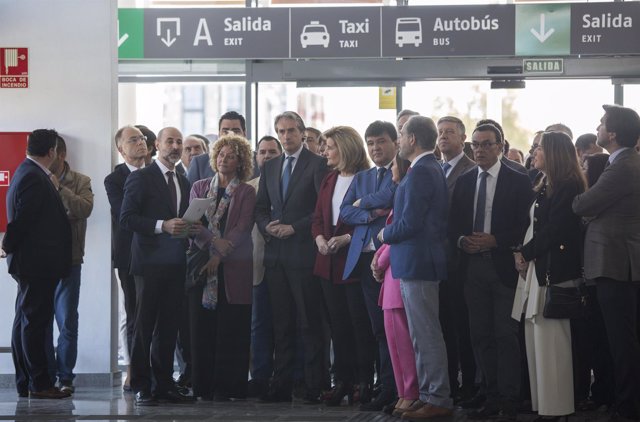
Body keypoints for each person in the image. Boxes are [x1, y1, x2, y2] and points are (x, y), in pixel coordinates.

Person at [449, 123, 532, 420]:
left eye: (486, 144)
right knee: (479, 334)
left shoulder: (518, 180)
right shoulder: (465, 180)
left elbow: (526, 225)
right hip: (471, 267)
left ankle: (510, 397)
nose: (480, 150)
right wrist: (461, 241)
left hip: (504, 266)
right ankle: (491, 393)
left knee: (505, 334)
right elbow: (452, 223)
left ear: (500, 146)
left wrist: (498, 240)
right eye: (476, 145)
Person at [377, 115, 453, 421]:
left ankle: (439, 397)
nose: (397, 140)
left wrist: (383, 234)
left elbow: (410, 223)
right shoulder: (424, 168)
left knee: (427, 334)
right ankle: (427, 394)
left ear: (412, 140)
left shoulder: (422, 171)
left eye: (400, 134)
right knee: (421, 336)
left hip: (419, 261)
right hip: (416, 261)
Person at [254, 111, 328, 403]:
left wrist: (294, 228)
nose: (286, 136)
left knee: (310, 322)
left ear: (302, 132)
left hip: (304, 254)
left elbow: (322, 211)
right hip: (275, 257)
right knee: (281, 324)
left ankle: (314, 384)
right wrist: (266, 226)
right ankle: (281, 384)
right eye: (281, 131)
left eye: (291, 131)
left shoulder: (318, 164)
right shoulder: (270, 167)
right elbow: (260, 208)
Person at [512, 131, 586, 420]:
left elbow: (556, 230)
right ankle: (543, 402)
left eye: (540, 148)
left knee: (551, 337)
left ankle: (558, 404)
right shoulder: (546, 184)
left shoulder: (567, 185)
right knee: (537, 336)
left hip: (553, 270)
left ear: (553, 152)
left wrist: (525, 252)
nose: (534, 152)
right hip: (539, 266)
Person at [573, 104, 640, 422]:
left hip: (617, 264)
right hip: (618, 263)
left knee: (622, 340)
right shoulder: (623, 163)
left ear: (612, 134)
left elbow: (582, 204)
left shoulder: (622, 166)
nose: (597, 127)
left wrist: (582, 184)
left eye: (601, 124)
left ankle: (628, 405)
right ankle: (622, 399)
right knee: (621, 337)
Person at [120, 126, 196, 406]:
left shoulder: (184, 181)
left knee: (169, 327)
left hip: (176, 262)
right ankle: (142, 385)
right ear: (156, 145)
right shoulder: (141, 178)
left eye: (179, 142)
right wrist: (161, 226)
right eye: (170, 141)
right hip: (149, 264)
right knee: (144, 326)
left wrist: (191, 227)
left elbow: (181, 220)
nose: (175, 146)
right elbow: (127, 219)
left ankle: (165, 384)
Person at [1, 129, 72, 399]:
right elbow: (23, 219)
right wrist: (6, 246)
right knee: (34, 322)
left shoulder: (28, 172)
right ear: (52, 152)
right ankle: (39, 384)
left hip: (33, 263)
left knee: (26, 320)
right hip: (36, 264)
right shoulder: (33, 176)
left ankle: (27, 381)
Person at [188, 135, 256, 401]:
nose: (223, 160)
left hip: (235, 268)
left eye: (230, 156)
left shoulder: (247, 191)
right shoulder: (200, 187)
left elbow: (243, 227)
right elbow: (192, 225)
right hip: (202, 266)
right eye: (220, 155)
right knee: (202, 329)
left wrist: (221, 254)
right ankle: (203, 387)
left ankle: (230, 387)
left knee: (232, 329)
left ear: (240, 161)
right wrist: (214, 244)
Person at [311, 126, 374, 406]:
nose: (324, 151)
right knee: (337, 326)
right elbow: (316, 218)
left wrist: (347, 239)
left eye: (329, 146)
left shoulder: (367, 179)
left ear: (346, 148)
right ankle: (343, 382)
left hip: (355, 262)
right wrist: (320, 239)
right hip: (327, 263)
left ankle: (364, 381)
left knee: (359, 325)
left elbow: (373, 220)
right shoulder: (329, 179)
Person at [340, 120, 398, 412]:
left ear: (395, 143)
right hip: (363, 259)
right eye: (371, 143)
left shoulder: (401, 172)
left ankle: (393, 387)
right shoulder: (362, 176)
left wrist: (363, 203)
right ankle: (383, 385)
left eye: (381, 141)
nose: (376, 148)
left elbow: (391, 197)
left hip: (390, 258)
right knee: (374, 328)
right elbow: (345, 210)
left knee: (391, 328)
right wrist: (370, 212)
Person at [370, 153, 419, 418]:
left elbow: (399, 233)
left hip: (398, 274)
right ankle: (403, 393)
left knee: (404, 343)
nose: (391, 173)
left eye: (394, 168)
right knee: (394, 343)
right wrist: (379, 258)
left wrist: (380, 259)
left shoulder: (407, 192)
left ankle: (411, 393)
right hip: (390, 277)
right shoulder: (401, 191)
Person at [45, 135, 94, 394]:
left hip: (70, 259)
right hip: (39, 260)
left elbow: (84, 209)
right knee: (40, 321)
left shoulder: (81, 181)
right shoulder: (34, 177)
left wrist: (60, 189)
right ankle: (42, 376)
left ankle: (65, 378)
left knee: (67, 321)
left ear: (59, 154)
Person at [436, 116, 477, 402]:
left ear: (462, 139)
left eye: (449, 132)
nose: (443, 137)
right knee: (442, 327)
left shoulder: (471, 171)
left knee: (462, 326)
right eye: (439, 133)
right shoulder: (433, 168)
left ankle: (469, 384)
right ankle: (448, 381)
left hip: (459, 261)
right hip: (436, 261)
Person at [104, 125, 148, 392]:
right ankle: (134, 371)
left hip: (160, 254)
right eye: (133, 140)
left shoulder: (157, 173)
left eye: (142, 138)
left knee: (156, 314)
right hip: (130, 256)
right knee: (134, 314)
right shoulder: (115, 179)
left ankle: (155, 371)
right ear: (121, 149)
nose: (141, 143)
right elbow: (125, 214)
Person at [247, 135, 283, 398]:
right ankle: (260, 377)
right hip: (257, 263)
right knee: (259, 324)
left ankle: (285, 377)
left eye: (272, 151)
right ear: (256, 157)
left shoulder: (288, 181)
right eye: (263, 152)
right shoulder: (248, 189)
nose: (267, 156)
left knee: (285, 323)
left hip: (287, 262)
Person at [188, 111, 247, 185]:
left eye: (236, 131)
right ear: (219, 134)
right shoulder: (200, 163)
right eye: (225, 131)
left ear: (244, 134)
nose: (230, 135)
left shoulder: (257, 162)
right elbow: (189, 195)